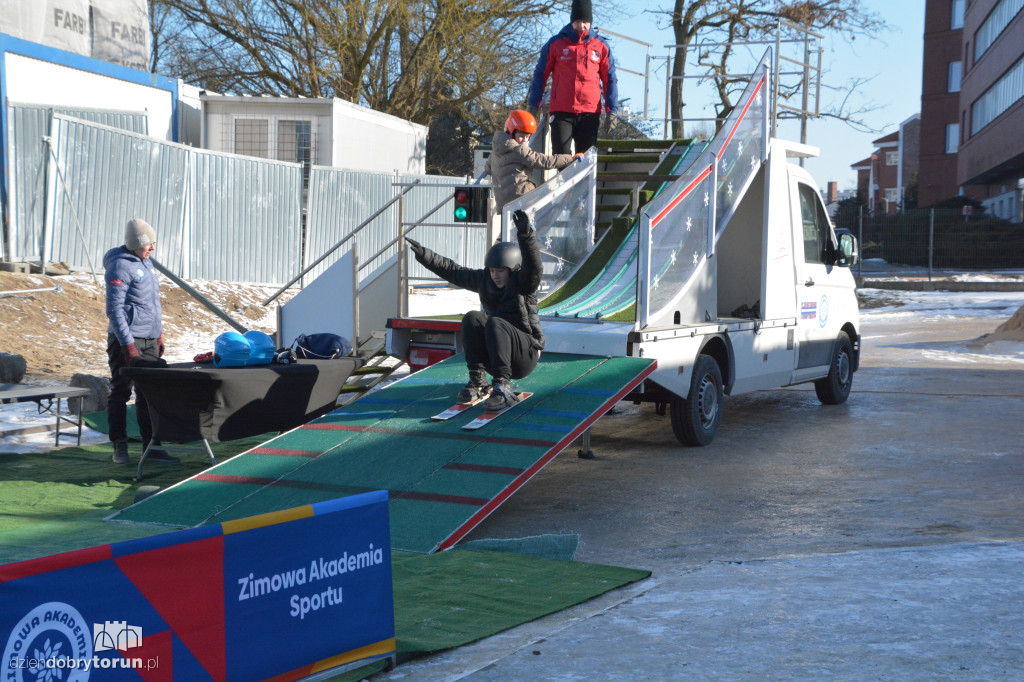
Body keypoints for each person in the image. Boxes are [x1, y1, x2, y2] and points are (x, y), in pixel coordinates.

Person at [406, 210, 543, 412]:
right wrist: (425, 256)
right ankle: (478, 381)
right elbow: (454, 271)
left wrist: (525, 236)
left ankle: (502, 387)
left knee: (495, 322)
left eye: (501, 271)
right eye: (492, 270)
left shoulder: (523, 283)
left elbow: (534, 267)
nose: (495, 276)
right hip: (497, 355)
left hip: (525, 356)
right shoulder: (484, 280)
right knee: (472, 318)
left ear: (512, 269)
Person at [103, 218, 178, 465]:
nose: (153, 248)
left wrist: (158, 333)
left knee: (149, 394)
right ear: (137, 243)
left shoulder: (147, 264)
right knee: (121, 391)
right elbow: (114, 309)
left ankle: (152, 448)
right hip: (126, 340)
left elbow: (151, 304)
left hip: (148, 339)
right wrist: (128, 345)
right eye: (149, 244)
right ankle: (119, 445)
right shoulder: (119, 267)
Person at [527, 0, 617, 155]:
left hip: (589, 111)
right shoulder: (556, 44)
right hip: (561, 110)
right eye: (577, 22)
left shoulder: (601, 46)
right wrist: (533, 104)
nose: (581, 26)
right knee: (561, 156)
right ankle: (564, 180)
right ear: (571, 21)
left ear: (590, 23)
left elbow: (610, 79)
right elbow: (540, 75)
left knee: (586, 159)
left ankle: (583, 180)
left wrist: (612, 110)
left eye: (585, 22)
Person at [485, 109, 576, 210]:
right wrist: (570, 158)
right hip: (521, 196)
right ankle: (564, 207)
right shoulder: (519, 149)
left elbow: (488, 169)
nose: (525, 140)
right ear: (511, 132)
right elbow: (544, 161)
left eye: (528, 137)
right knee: (548, 197)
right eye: (521, 136)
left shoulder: (496, 150)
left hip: (503, 202)